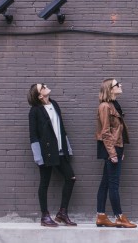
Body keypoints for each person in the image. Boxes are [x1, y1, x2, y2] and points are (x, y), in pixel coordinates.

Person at [27, 83, 77, 227]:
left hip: (60, 151)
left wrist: (67, 148)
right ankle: (45, 216)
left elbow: (61, 128)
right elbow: (33, 136)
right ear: (39, 95)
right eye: (42, 86)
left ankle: (62, 213)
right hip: (46, 153)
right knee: (44, 183)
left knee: (71, 178)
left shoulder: (54, 104)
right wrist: (38, 157)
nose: (45, 86)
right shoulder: (34, 111)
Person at [95, 78, 137, 228]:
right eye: (117, 84)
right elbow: (105, 132)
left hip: (115, 147)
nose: (121, 85)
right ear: (110, 89)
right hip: (110, 148)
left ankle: (101, 216)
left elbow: (118, 131)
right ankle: (119, 216)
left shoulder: (114, 104)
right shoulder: (105, 107)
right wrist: (113, 153)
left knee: (106, 183)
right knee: (113, 184)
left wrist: (121, 149)